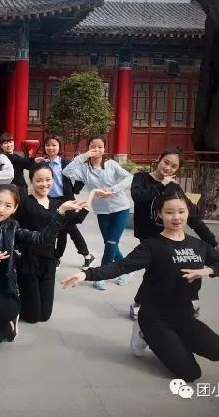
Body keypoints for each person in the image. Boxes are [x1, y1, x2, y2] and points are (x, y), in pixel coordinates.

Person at [60, 190, 219, 382]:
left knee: (217, 351)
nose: (176, 217)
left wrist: (209, 270)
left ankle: (173, 340)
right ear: (160, 214)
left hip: (184, 314)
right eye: (169, 212)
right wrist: (86, 274)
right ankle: (144, 332)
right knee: (191, 374)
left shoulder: (198, 245)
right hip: (154, 317)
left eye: (181, 211)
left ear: (188, 212)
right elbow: (121, 266)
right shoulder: (152, 246)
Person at [0, 184, 86, 368]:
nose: (1, 209)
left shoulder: (12, 229)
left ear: (14, 208)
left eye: (8, 205)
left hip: (6, 299)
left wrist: (61, 212)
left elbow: (42, 239)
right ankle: (6, 328)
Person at [129, 147, 219, 320]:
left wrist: (211, 240)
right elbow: (138, 196)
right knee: (154, 270)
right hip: (148, 236)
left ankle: (188, 302)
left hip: (170, 236)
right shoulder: (141, 178)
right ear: (159, 158)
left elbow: (191, 216)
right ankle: (140, 303)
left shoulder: (174, 187)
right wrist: (161, 185)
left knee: (176, 268)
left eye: (174, 166)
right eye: (166, 162)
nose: (168, 168)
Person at [15, 164, 89, 323]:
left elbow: (73, 221)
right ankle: (13, 304)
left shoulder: (56, 204)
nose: (44, 184)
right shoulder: (24, 202)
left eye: (48, 180)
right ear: (31, 181)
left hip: (49, 260)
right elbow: (15, 227)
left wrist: (89, 202)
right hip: (29, 260)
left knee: (44, 316)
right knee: (33, 317)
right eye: (39, 180)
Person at [62, 135, 133, 290]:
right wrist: (83, 157)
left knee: (111, 243)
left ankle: (101, 275)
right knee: (110, 244)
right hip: (102, 211)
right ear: (88, 148)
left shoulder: (111, 164)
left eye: (100, 147)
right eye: (93, 147)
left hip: (120, 208)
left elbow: (129, 177)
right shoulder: (84, 168)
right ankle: (126, 270)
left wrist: (112, 190)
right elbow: (67, 172)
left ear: (104, 148)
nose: (96, 149)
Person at [43, 134, 95, 268]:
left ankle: (63, 256)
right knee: (61, 229)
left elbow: (81, 176)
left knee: (70, 228)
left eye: (54, 145)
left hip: (66, 199)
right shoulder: (43, 163)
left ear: (59, 146)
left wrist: (75, 189)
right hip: (51, 201)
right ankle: (80, 256)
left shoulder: (65, 163)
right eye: (48, 145)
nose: (50, 148)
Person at [0, 132, 44, 199]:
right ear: (1, 146)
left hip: (20, 189)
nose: (9, 145)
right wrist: (33, 159)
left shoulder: (16, 156)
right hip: (12, 189)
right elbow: (24, 162)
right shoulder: (4, 157)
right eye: (5, 143)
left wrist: (34, 160)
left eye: (10, 142)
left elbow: (27, 165)